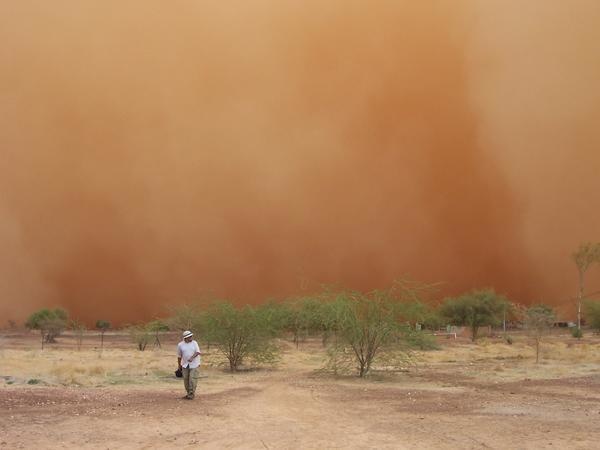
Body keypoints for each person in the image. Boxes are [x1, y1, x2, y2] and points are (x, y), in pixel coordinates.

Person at [177, 330, 202, 400]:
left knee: (192, 379)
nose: (191, 338)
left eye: (191, 336)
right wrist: (179, 366)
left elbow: (198, 352)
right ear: (185, 338)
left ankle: (191, 394)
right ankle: (188, 393)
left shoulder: (194, 343)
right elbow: (179, 356)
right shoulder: (180, 345)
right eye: (189, 337)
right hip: (185, 364)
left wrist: (192, 358)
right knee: (186, 380)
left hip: (195, 364)